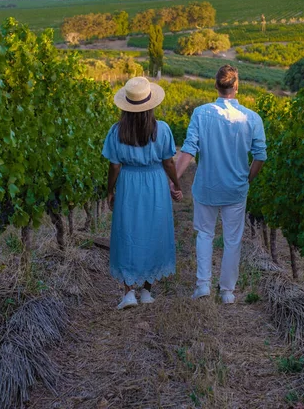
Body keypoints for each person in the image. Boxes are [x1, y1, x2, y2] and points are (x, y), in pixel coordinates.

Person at [173, 65, 266, 304]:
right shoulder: (252, 118)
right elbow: (260, 156)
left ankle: (203, 285)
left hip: (206, 187)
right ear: (236, 86)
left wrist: (171, 181)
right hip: (236, 189)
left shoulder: (201, 113)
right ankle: (227, 292)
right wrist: (247, 178)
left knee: (204, 234)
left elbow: (188, 151)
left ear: (216, 86)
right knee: (232, 240)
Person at [102, 76, 183, 310]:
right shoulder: (163, 129)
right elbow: (168, 162)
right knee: (153, 231)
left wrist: (110, 190)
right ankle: (147, 291)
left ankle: (129, 293)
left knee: (128, 232)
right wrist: (175, 185)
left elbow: (114, 165)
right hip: (155, 182)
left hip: (129, 183)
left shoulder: (117, 131)